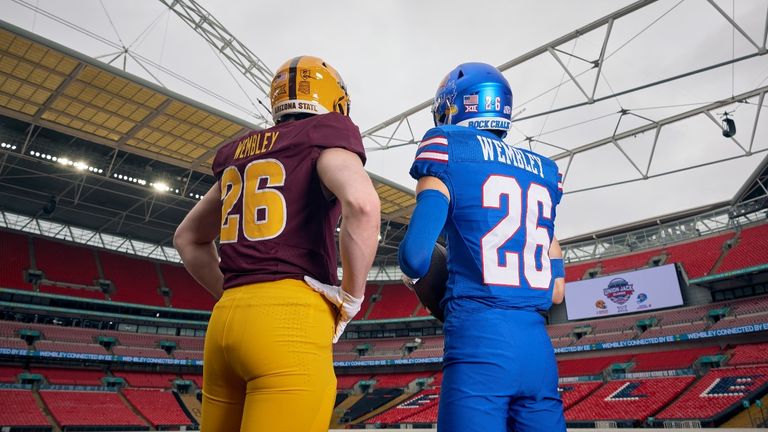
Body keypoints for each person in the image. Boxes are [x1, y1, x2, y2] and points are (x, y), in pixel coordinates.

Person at [174, 55, 380, 432]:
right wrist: (350, 298)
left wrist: (235, 294)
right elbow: (363, 206)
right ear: (335, 102)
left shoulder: (242, 154)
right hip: (290, 319)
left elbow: (187, 238)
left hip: (224, 325)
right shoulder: (325, 138)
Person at [398, 62, 566, 432]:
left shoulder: (447, 146)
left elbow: (413, 256)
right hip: (537, 348)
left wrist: (429, 288)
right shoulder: (545, 170)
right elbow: (556, 291)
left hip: (479, 340)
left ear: (453, 105)